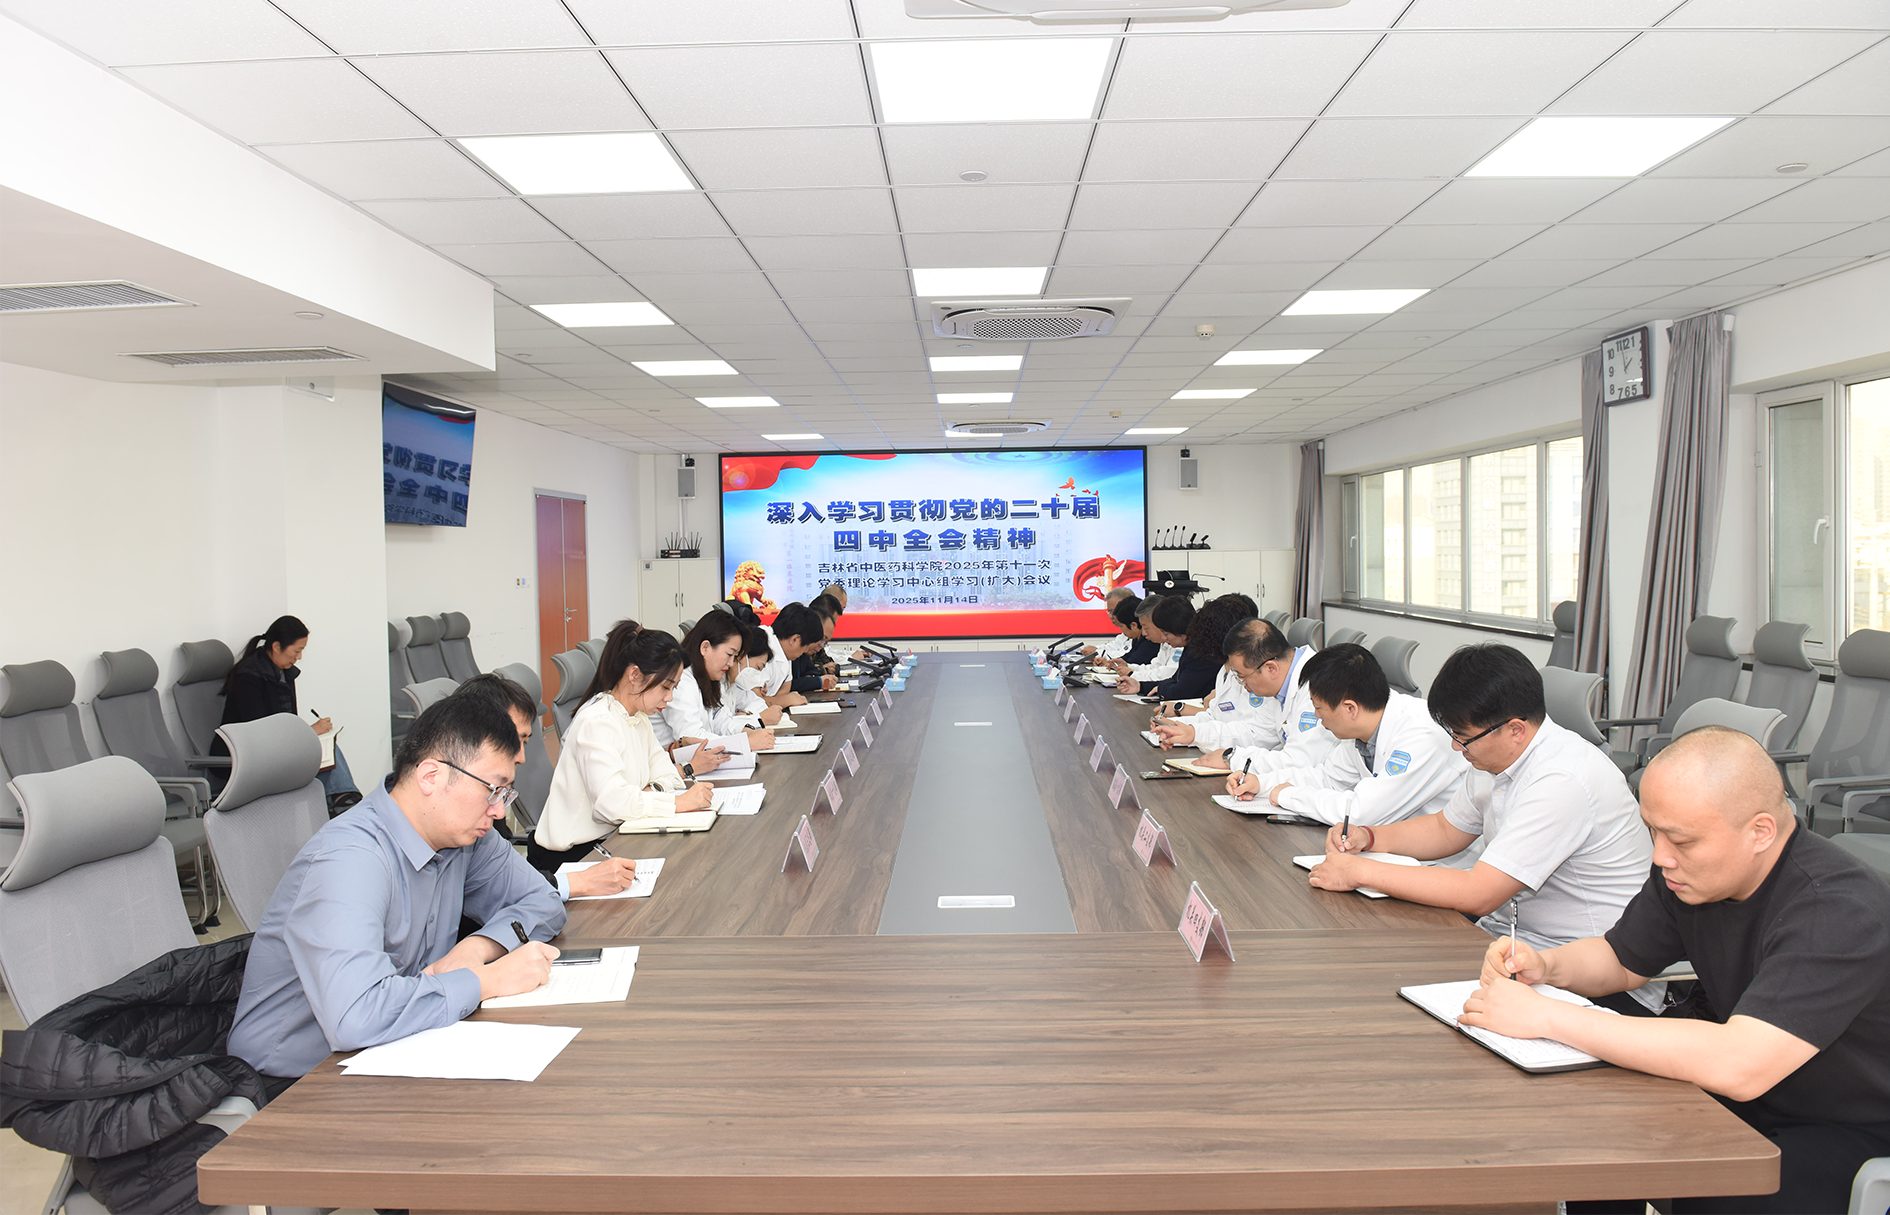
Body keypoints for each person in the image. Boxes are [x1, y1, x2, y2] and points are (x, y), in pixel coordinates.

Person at [1460, 727, 1890, 1215]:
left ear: (1760, 832)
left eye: (1681, 840)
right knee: (1597, 1129)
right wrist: (1545, 965)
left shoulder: (1836, 910)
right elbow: (1621, 960)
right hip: (1757, 1094)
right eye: (1653, 831)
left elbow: (1742, 1064)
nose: (1660, 856)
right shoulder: (1688, 875)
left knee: (1720, 1190)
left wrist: (1545, 1017)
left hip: (1851, 1124)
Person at [227, 696, 565, 1083]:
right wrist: (486, 980)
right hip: (293, 1081)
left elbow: (544, 902)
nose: (499, 811)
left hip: (395, 1048)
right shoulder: (350, 859)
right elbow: (356, 1016)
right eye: (493, 790)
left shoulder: (466, 838)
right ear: (430, 776)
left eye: (505, 794)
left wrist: (478, 948)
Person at [1309, 645, 1661, 1010]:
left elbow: (1479, 892)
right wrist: (1371, 836)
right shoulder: (1495, 758)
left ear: (1515, 730)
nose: (1455, 746)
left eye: (1463, 736)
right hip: (1511, 944)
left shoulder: (1563, 779)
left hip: (1591, 976)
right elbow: (1446, 829)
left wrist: (1358, 872)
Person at [529, 621, 715, 874]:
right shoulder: (597, 722)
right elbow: (612, 805)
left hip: (616, 837)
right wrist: (675, 803)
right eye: (665, 686)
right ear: (634, 675)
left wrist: (648, 791)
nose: (669, 697)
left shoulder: (638, 717)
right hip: (573, 858)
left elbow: (670, 776)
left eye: (674, 688)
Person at [1228, 642, 1467, 826]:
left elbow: (1363, 812)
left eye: (1319, 708)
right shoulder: (1361, 732)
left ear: (1350, 708)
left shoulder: (1422, 734)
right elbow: (1328, 779)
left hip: (1443, 864)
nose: (1316, 716)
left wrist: (1288, 796)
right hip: (1392, 849)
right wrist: (1261, 784)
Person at [453, 672, 639, 900]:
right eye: (511, 740)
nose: (521, 757)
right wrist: (578, 882)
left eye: (524, 742)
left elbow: (505, 875)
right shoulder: (459, 810)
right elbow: (490, 892)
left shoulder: (492, 797)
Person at [215, 614, 360, 810]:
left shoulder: (283, 673)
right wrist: (309, 732)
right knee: (316, 747)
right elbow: (259, 733)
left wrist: (308, 734)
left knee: (326, 745)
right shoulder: (248, 678)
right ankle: (342, 799)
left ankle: (342, 798)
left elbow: (286, 722)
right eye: (297, 651)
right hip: (247, 756)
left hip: (274, 750)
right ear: (276, 647)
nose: (299, 657)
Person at [1162, 617, 1324, 758]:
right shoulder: (1280, 686)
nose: (1241, 683)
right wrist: (1194, 733)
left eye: (1242, 676)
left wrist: (1232, 759)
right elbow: (1255, 733)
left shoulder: (1316, 686)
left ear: (1271, 668)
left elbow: (1300, 760)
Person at [656, 613, 777, 755]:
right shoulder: (682, 682)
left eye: (735, 657)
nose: (731, 663)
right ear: (705, 647)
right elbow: (691, 738)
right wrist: (745, 743)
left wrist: (745, 732)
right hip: (671, 763)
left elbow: (721, 722)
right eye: (729, 654)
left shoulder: (709, 679)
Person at [1125, 599, 1237, 701]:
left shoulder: (1202, 653)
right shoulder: (1191, 646)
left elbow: (1180, 691)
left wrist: (1161, 688)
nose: (1164, 638)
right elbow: (1175, 679)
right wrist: (1140, 686)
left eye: (1166, 634)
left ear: (1178, 628)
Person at [760, 602, 832, 704]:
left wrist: (779, 700)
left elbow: (785, 688)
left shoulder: (785, 651)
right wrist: (784, 701)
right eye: (805, 647)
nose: (805, 652)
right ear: (795, 640)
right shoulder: (760, 646)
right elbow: (753, 702)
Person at [1112, 596, 1187, 686]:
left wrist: (1132, 674)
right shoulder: (1164, 643)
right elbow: (1154, 667)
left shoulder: (1178, 641)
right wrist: (1129, 667)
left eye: (1146, 628)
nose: (1143, 633)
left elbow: (1166, 675)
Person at [1081, 587, 1136, 659]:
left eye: (1113, 611)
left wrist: (1097, 653)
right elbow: (1115, 646)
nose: (1110, 616)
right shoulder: (1125, 633)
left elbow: (1125, 656)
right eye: (1109, 612)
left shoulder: (1139, 632)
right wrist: (1095, 649)